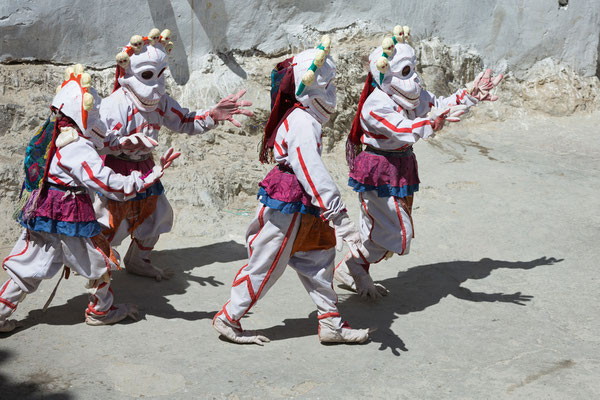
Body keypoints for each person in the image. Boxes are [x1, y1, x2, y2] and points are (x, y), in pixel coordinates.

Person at [213, 36, 371, 345]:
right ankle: (228, 318)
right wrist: (340, 217)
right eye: (327, 87)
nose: (333, 94)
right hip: (291, 202)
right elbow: (311, 171)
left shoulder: (304, 117)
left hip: (303, 204)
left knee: (320, 259)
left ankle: (330, 322)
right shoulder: (302, 122)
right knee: (267, 265)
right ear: (309, 89)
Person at [0, 65, 180, 333]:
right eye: (92, 111)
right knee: (100, 259)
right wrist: (149, 176)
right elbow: (107, 183)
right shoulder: (77, 147)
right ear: (78, 113)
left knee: (28, 265)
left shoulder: (57, 133)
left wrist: (124, 142)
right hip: (69, 214)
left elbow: (101, 142)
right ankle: (101, 310)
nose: (97, 116)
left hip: (46, 211)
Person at [335, 26, 503, 298]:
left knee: (381, 228)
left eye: (413, 69)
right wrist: (432, 122)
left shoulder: (412, 96)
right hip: (378, 169)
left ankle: (355, 269)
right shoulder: (375, 104)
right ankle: (353, 265)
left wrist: (471, 94)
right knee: (396, 231)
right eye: (405, 72)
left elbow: (439, 103)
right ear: (385, 74)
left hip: (402, 166)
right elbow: (402, 128)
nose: (414, 78)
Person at [95, 28, 254, 281]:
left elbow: (185, 120)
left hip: (147, 169)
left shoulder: (162, 102)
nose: (157, 84)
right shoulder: (114, 105)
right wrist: (122, 143)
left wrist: (213, 115)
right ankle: (99, 281)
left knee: (156, 216)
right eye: (148, 75)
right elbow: (96, 141)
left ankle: (138, 260)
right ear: (128, 72)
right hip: (116, 170)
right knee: (108, 225)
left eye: (161, 75)